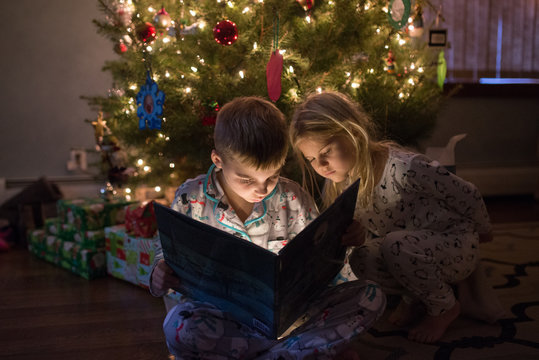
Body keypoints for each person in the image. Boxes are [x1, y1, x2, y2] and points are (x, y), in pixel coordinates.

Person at [149, 96, 386, 359]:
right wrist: (160, 273)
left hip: (293, 318)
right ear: (218, 159)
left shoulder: (293, 197)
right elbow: (167, 255)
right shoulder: (190, 197)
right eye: (246, 178)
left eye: (272, 176)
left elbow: (324, 264)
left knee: (370, 296)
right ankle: (298, 352)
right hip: (226, 319)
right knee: (178, 326)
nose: (261, 189)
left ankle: (277, 352)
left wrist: (346, 241)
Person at [289, 91, 496, 344]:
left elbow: (467, 193)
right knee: (361, 256)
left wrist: (484, 230)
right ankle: (417, 297)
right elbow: (372, 231)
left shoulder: (406, 168)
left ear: (353, 133)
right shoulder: (340, 184)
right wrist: (357, 235)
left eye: (326, 151)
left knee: (395, 245)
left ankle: (444, 307)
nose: (320, 165)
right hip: (410, 248)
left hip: (455, 242)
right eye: (311, 159)